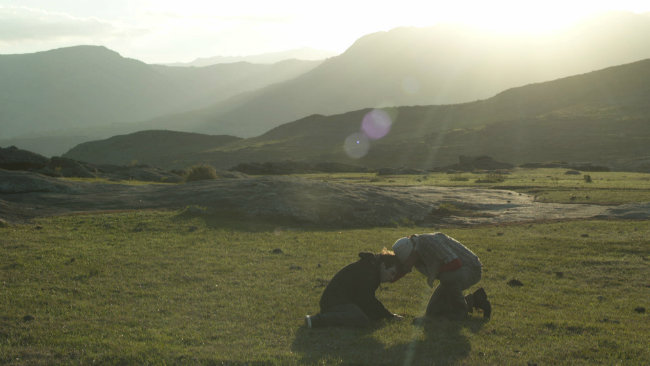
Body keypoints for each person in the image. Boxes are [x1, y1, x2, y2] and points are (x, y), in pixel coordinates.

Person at [391, 233, 491, 320]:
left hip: (471, 268)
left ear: (411, 253)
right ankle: (475, 300)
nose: (408, 268)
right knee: (432, 312)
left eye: (406, 263)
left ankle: (460, 312)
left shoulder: (429, 242)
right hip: (452, 275)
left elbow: (455, 263)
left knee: (447, 277)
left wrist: (434, 272)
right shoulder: (415, 257)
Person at [305, 250, 403, 328]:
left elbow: (366, 299)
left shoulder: (371, 268)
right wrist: (389, 316)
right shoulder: (370, 272)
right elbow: (368, 299)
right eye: (392, 273)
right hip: (334, 302)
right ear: (383, 265)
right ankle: (316, 320)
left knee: (366, 317)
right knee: (360, 319)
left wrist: (384, 315)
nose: (391, 279)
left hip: (340, 300)